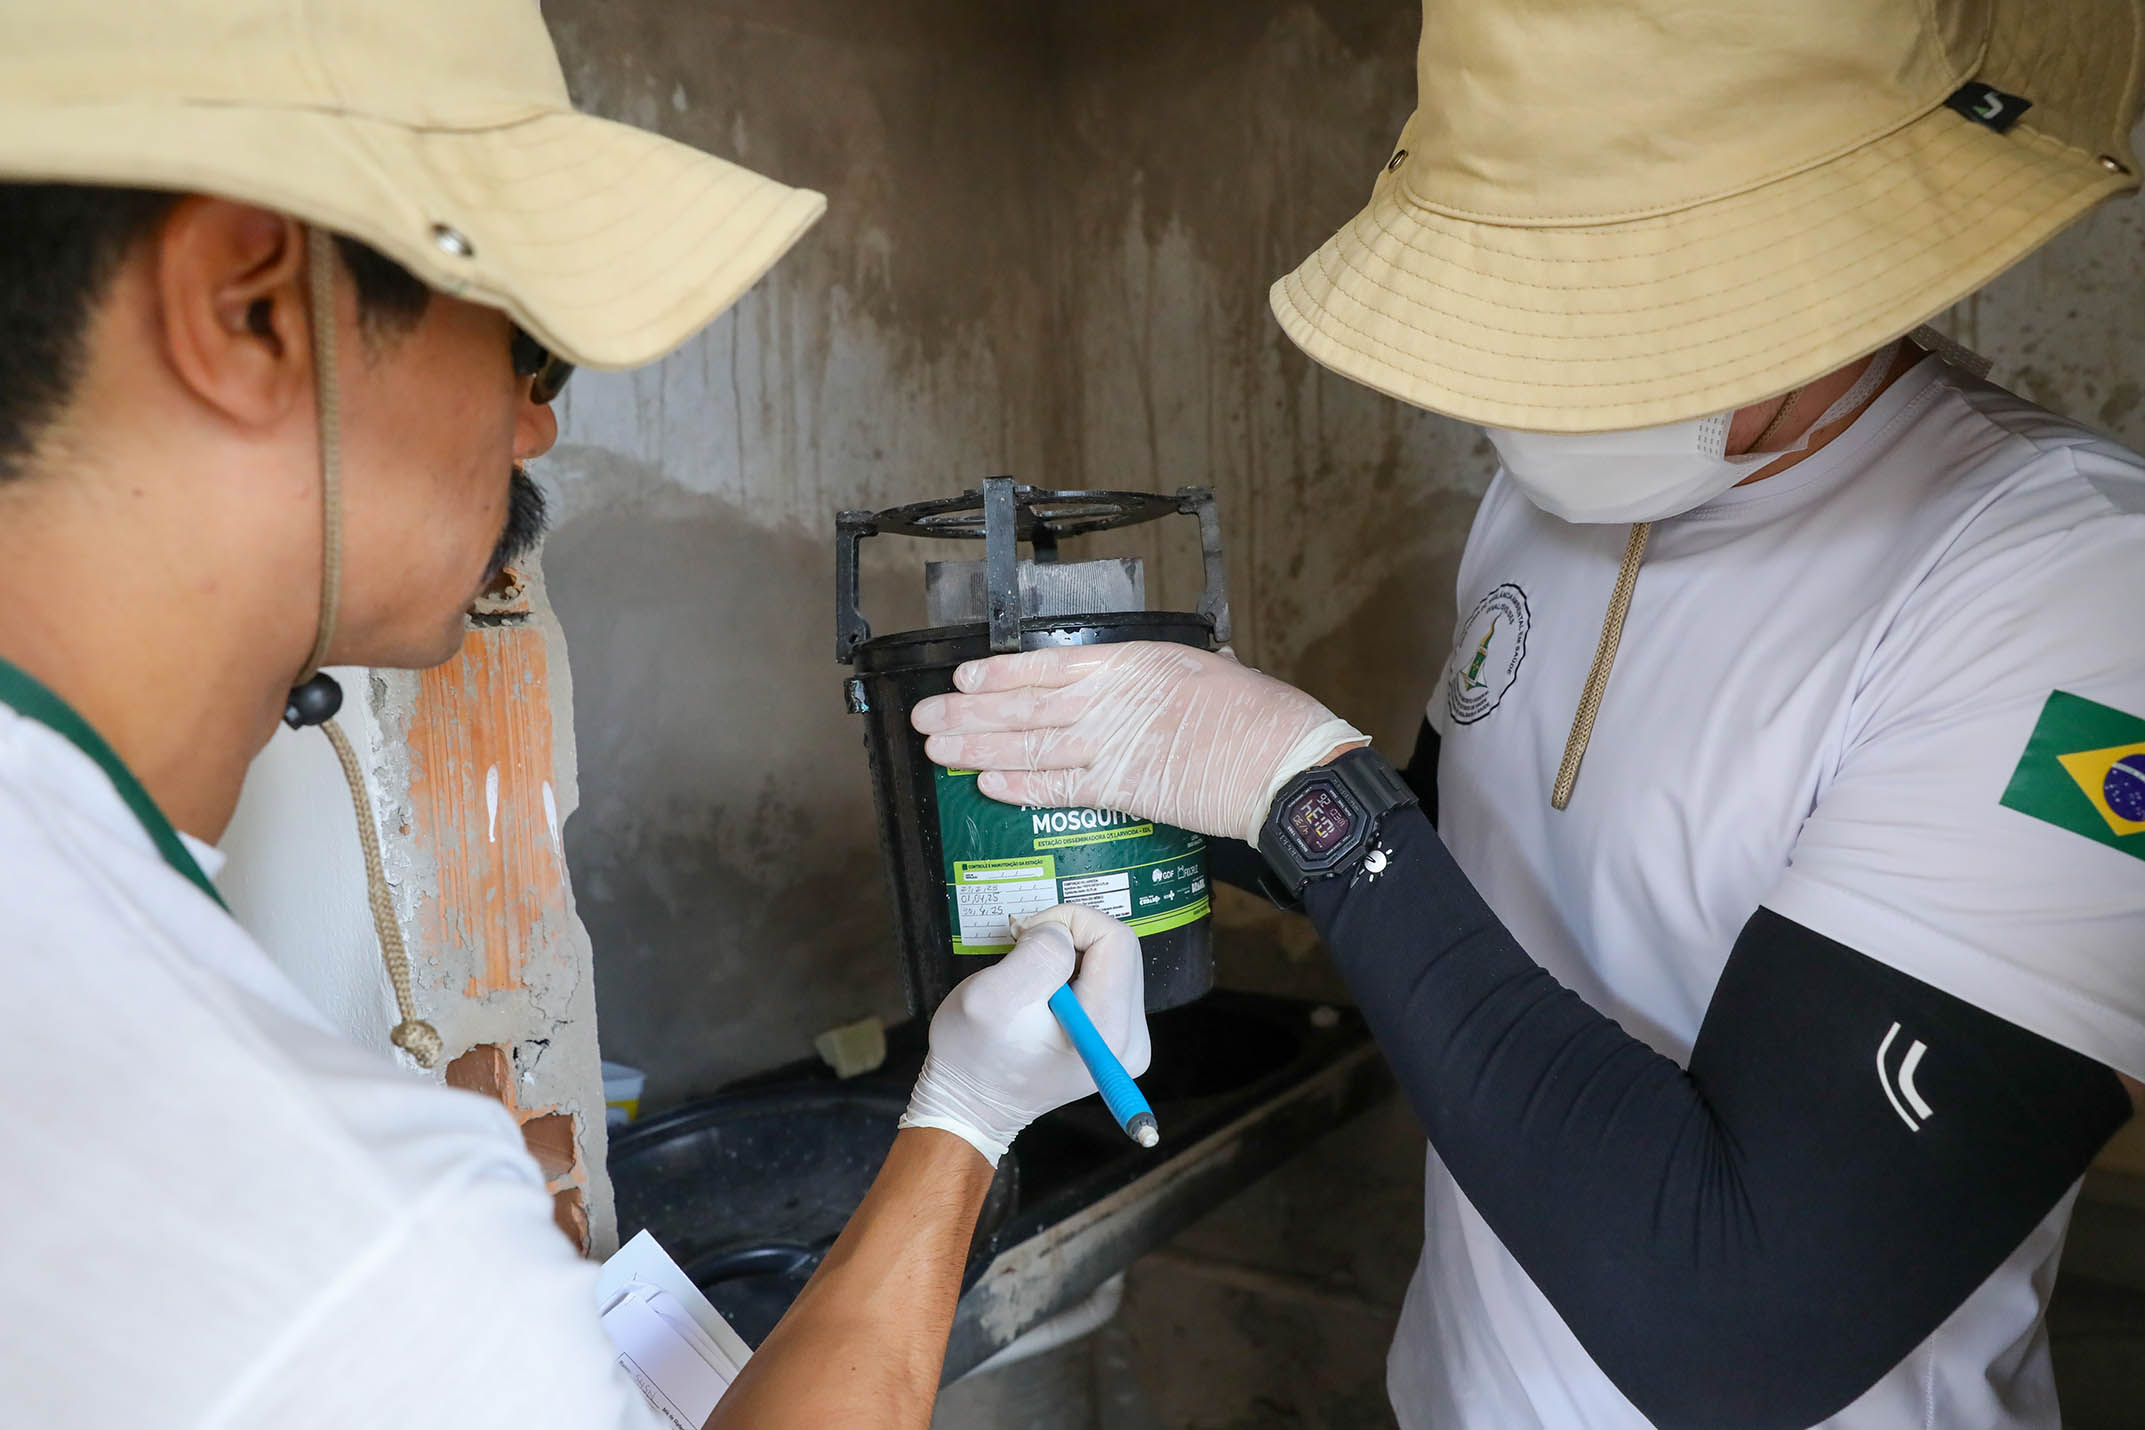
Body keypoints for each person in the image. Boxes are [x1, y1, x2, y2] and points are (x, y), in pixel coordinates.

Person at [910, 0, 2145, 1426]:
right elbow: (1461, 860)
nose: (1552, 376)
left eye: (1620, 302)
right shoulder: (1551, 499)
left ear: (1840, 265)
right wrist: (1165, 764)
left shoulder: (2064, 587)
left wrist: (1306, 796)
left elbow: (1739, 1319)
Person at [0, 2, 1146, 1427]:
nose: (536, 424)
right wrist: (967, 1113)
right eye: (525, 348)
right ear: (254, 308)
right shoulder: (342, 1228)